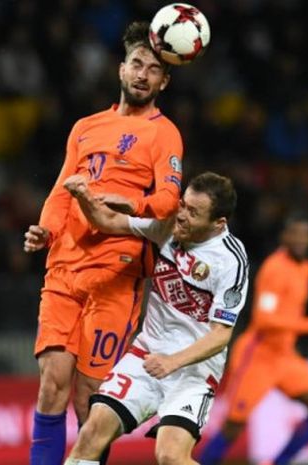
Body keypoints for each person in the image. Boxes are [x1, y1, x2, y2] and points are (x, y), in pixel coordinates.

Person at [23, 21, 183, 465]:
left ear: (163, 81)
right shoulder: (85, 127)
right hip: (65, 264)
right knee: (52, 383)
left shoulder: (163, 133)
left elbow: (169, 200)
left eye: (153, 69)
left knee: (90, 399)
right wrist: (46, 230)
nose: (142, 74)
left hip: (118, 271)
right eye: (136, 64)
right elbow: (60, 190)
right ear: (120, 68)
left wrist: (127, 200)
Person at [62, 171, 249, 465]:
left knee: (170, 457)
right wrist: (83, 195)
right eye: (184, 205)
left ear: (218, 223)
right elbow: (108, 221)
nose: (182, 215)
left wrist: (172, 362)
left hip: (193, 372)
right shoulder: (169, 224)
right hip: (145, 356)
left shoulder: (230, 261)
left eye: (193, 212)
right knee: (90, 434)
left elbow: (221, 335)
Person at [200, 213, 308, 465]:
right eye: (295, 233)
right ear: (284, 237)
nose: (300, 239)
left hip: (285, 356)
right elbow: (264, 319)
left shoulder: (306, 268)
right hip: (258, 355)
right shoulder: (274, 269)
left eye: (305, 234)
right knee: (234, 426)